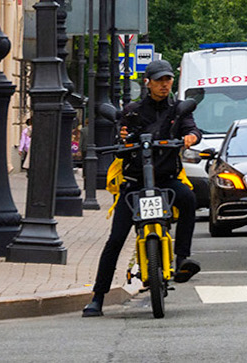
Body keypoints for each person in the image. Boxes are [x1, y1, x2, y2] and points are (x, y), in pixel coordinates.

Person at [83, 59, 203, 318]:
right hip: (135, 183)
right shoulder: (132, 110)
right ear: (147, 82)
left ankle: (182, 258)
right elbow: (121, 136)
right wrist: (124, 138)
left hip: (166, 179)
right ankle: (98, 297)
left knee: (188, 198)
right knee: (115, 239)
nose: (164, 84)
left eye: (168, 79)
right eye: (159, 80)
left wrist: (191, 137)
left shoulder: (178, 109)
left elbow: (192, 129)